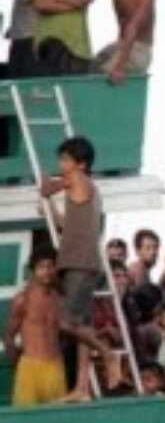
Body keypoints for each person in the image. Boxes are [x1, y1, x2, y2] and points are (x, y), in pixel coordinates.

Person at [40, 137, 103, 401]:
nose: (61, 164)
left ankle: (108, 354)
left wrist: (45, 182)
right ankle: (82, 387)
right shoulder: (86, 188)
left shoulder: (77, 180)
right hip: (81, 262)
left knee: (65, 323)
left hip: (79, 263)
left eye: (66, 160)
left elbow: (47, 188)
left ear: (81, 164)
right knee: (82, 327)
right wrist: (51, 213)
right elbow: (68, 225)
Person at [5, 246, 108, 407]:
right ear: (33, 270)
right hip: (29, 367)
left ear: (55, 268)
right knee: (26, 422)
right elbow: (9, 336)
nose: (46, 271)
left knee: (55, 418)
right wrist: (15, 365)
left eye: (50, 266)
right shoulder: (22, 299)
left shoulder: (60, 300)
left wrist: (99, 346)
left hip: (55, 366)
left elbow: (71, 328)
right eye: (41, 267)